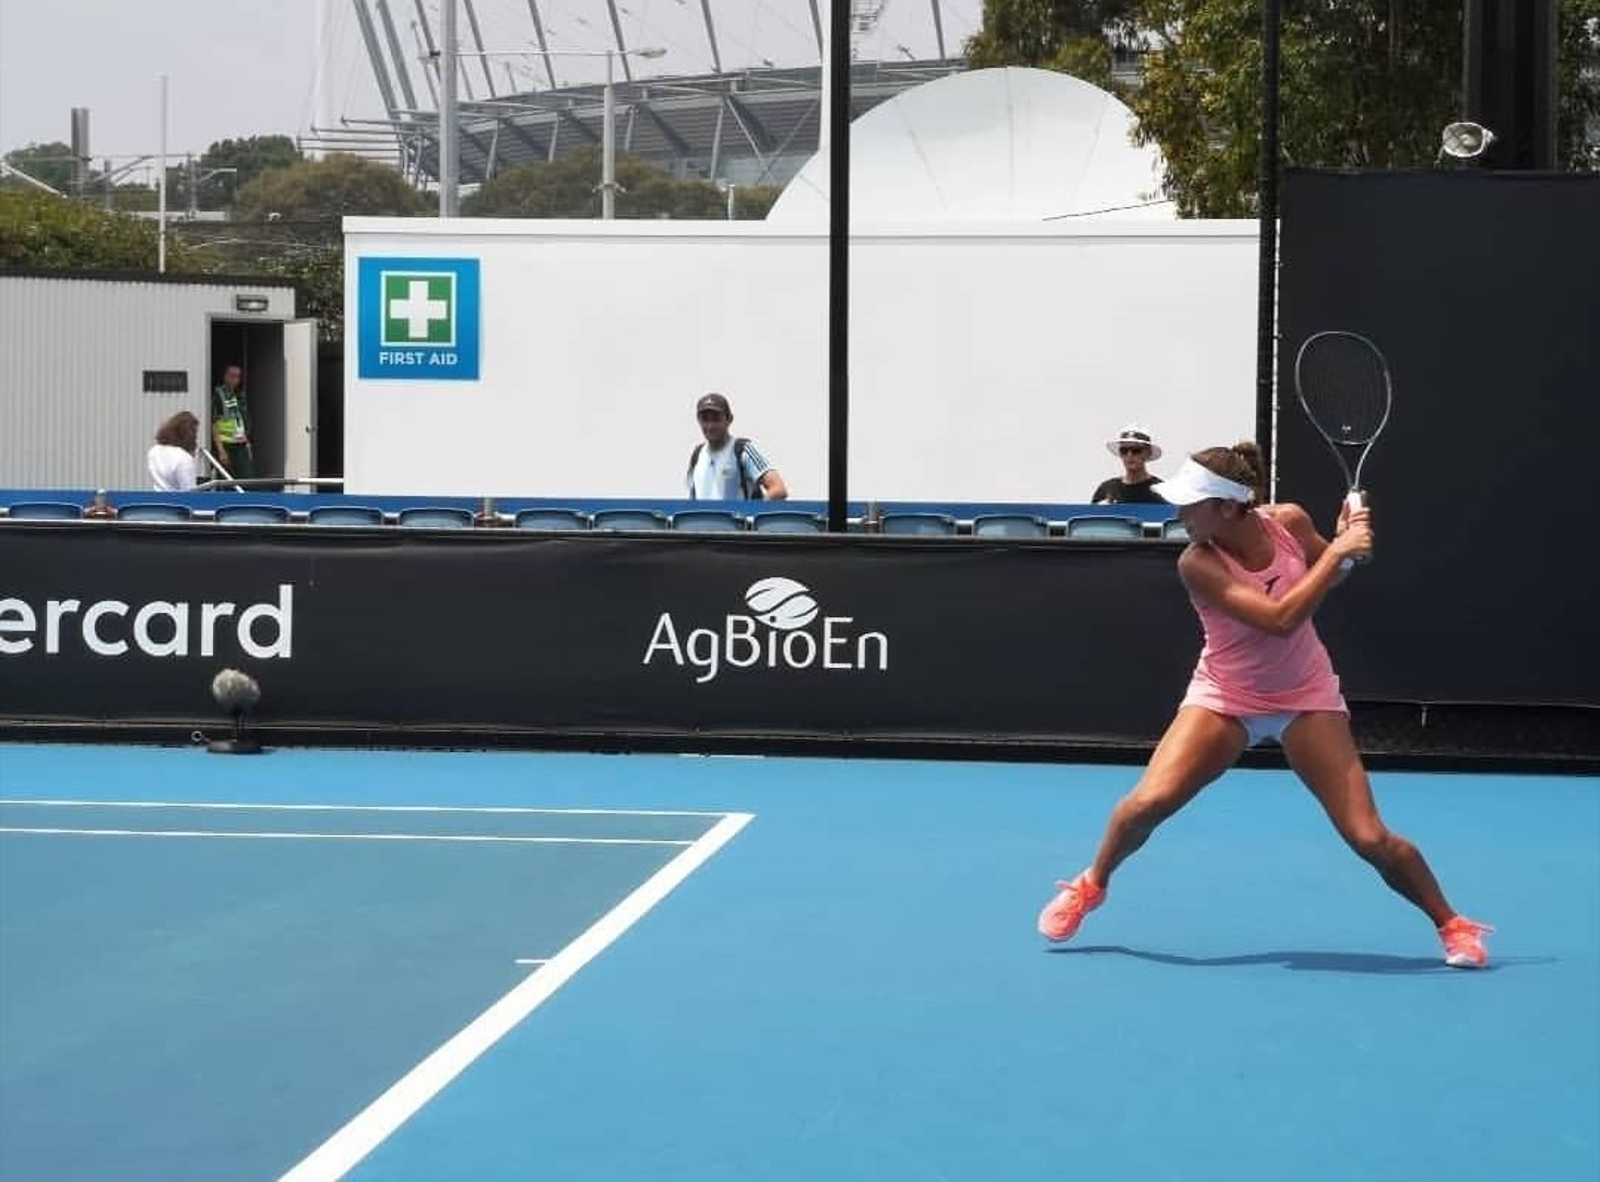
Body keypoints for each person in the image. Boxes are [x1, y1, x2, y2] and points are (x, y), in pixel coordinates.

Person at [1038, 441, 1493, 968]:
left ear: (1228, 506)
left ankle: (1453, 924)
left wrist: (1349, 546)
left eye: (1191, 504)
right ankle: (1092, 884)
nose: (1178, 513)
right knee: (1144, 806)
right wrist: (1343, 551)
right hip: (1226, 697)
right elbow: (1279, 621)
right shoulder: (1197, 562)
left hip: (1305, 695)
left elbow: (1333, 573)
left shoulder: (1290, 523)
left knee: (1369, 836)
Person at [685, 393, 788, 501]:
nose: (710, 426)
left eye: (716, 419)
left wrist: (751, 512)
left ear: (729, 419)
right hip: (703, 519)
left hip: (736, 518)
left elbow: (779, 489)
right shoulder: (697, 455)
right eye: (705, 419)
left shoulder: (742, 449)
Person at [1091, 425, 1166, 504]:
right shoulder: (1107, 489)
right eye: (1124, 450)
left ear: (1148, 453)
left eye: (1136, 450)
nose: (1129, 455)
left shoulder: (1161, 491)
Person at [211, 364, 255, 481]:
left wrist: (248, 444)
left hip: (241, 445)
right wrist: (221, 450)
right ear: (225, 377)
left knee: (248, 479)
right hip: (226, 446)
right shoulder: (218, 395)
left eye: (237, 377)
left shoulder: (240, 396)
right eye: (232, 376)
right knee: (228, 481)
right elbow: (214, 423)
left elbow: (242, 421)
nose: (235, 380)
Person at [147, 411, 200, 492]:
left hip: (157, 500)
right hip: (177, 503)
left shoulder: (154, 451)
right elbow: (189, 491)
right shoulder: (184, 457)